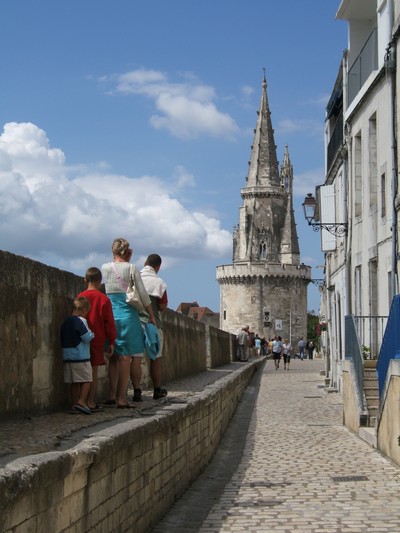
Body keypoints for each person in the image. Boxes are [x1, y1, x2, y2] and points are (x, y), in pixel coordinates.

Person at [101, 238, 156, 408]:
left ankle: (111, 395)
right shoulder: (131, 268)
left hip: (110, 316)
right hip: (128, 317)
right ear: (128, 252)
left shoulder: (105, 267)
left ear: (113, 251)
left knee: (114, 357)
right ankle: (122, 398)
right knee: (126, 357)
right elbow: (142, 294)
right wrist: (151, 315)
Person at [77, 267, 117, 411]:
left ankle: (78, 400)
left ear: (85, 280)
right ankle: (90, 401)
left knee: (80, 368)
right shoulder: (104, 299)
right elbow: (109, 322)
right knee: (92, 370)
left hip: (80, 338)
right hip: (97, 338)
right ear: (100, 282)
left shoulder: (80, 296)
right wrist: (111, 341)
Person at [137, 253, 168, 400]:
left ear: (145, 263)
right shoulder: (159, 283)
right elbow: (162, 307)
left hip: (135, 323)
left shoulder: (135, 279)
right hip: (153, 324)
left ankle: (136, 392)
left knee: (135, 358)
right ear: (158, 267)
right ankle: (157, 390)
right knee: (155, 358)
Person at [60, 296, 95, 414]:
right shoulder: (81, 321)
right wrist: (92, 334)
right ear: (84, 310)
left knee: (74, 382)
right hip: (81, 356)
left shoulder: (65, 321)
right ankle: (81, 401)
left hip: (68, 356)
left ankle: (74, 404)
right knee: (87, 379)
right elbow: (86, 337)